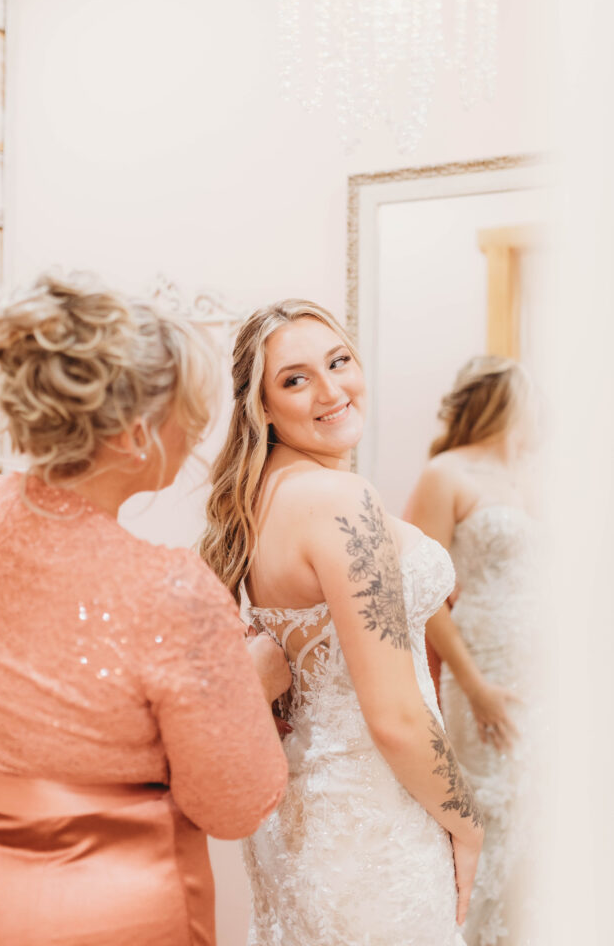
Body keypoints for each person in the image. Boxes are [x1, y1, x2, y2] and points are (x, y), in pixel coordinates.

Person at [0, 272, 290, 946]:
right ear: (133, 436)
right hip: (102, 917)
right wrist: (255, 676)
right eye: (191, 410)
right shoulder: (169, 591)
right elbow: (234, 805)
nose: (201, 431)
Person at [200, 299, 484, 946]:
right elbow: (395, 716)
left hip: (304, 819)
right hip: (373, 821)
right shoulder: (338, 500)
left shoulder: (261, 495)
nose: (331, 390)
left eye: (339, 362)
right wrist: (470, 826)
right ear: (261, 406)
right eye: (295, 379)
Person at [404, 356, 541, 946]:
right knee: (490, 808)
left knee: (540, 815)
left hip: (547, 671)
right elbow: (421, 591)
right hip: (482, 666)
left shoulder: (537, 476)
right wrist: (476, 686)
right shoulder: (447, 475)